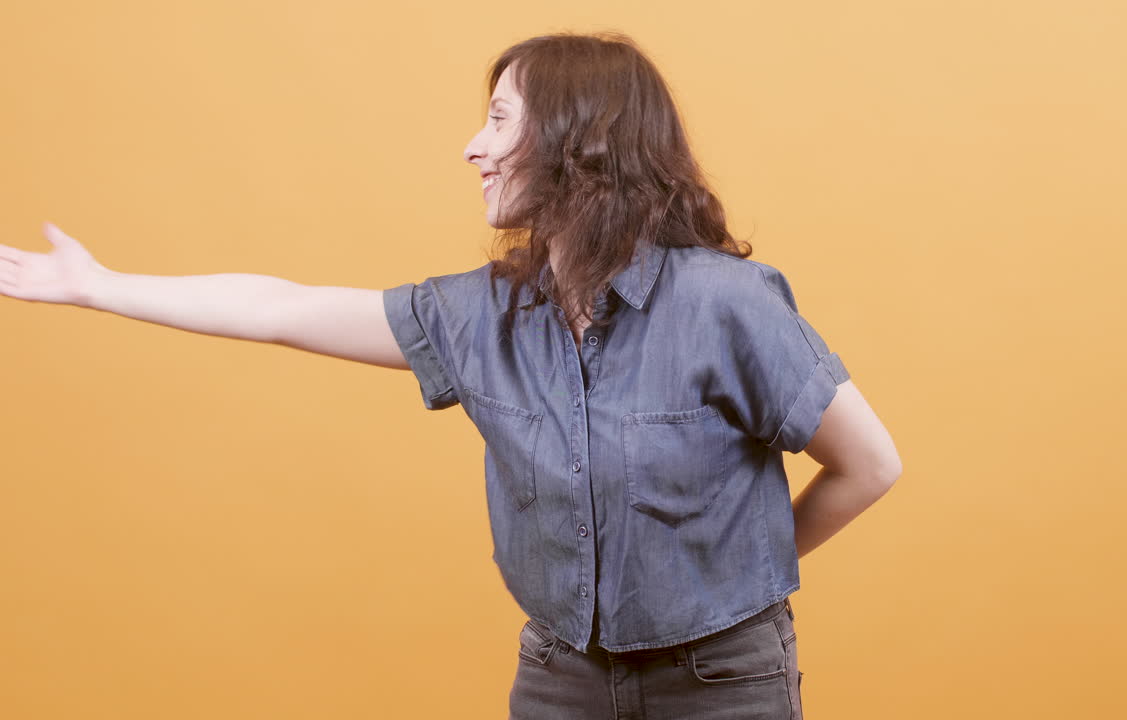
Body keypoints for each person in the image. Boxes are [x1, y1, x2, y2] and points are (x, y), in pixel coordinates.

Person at [0, 30, 901, 720]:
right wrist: (99, 286)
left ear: (579, 138)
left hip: (723, 682)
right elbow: (279, 307)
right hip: (560, 679)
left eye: (500, 119)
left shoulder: (725, 303)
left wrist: (730, 580)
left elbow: (869, 466)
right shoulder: (477, 316)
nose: (473, 147)